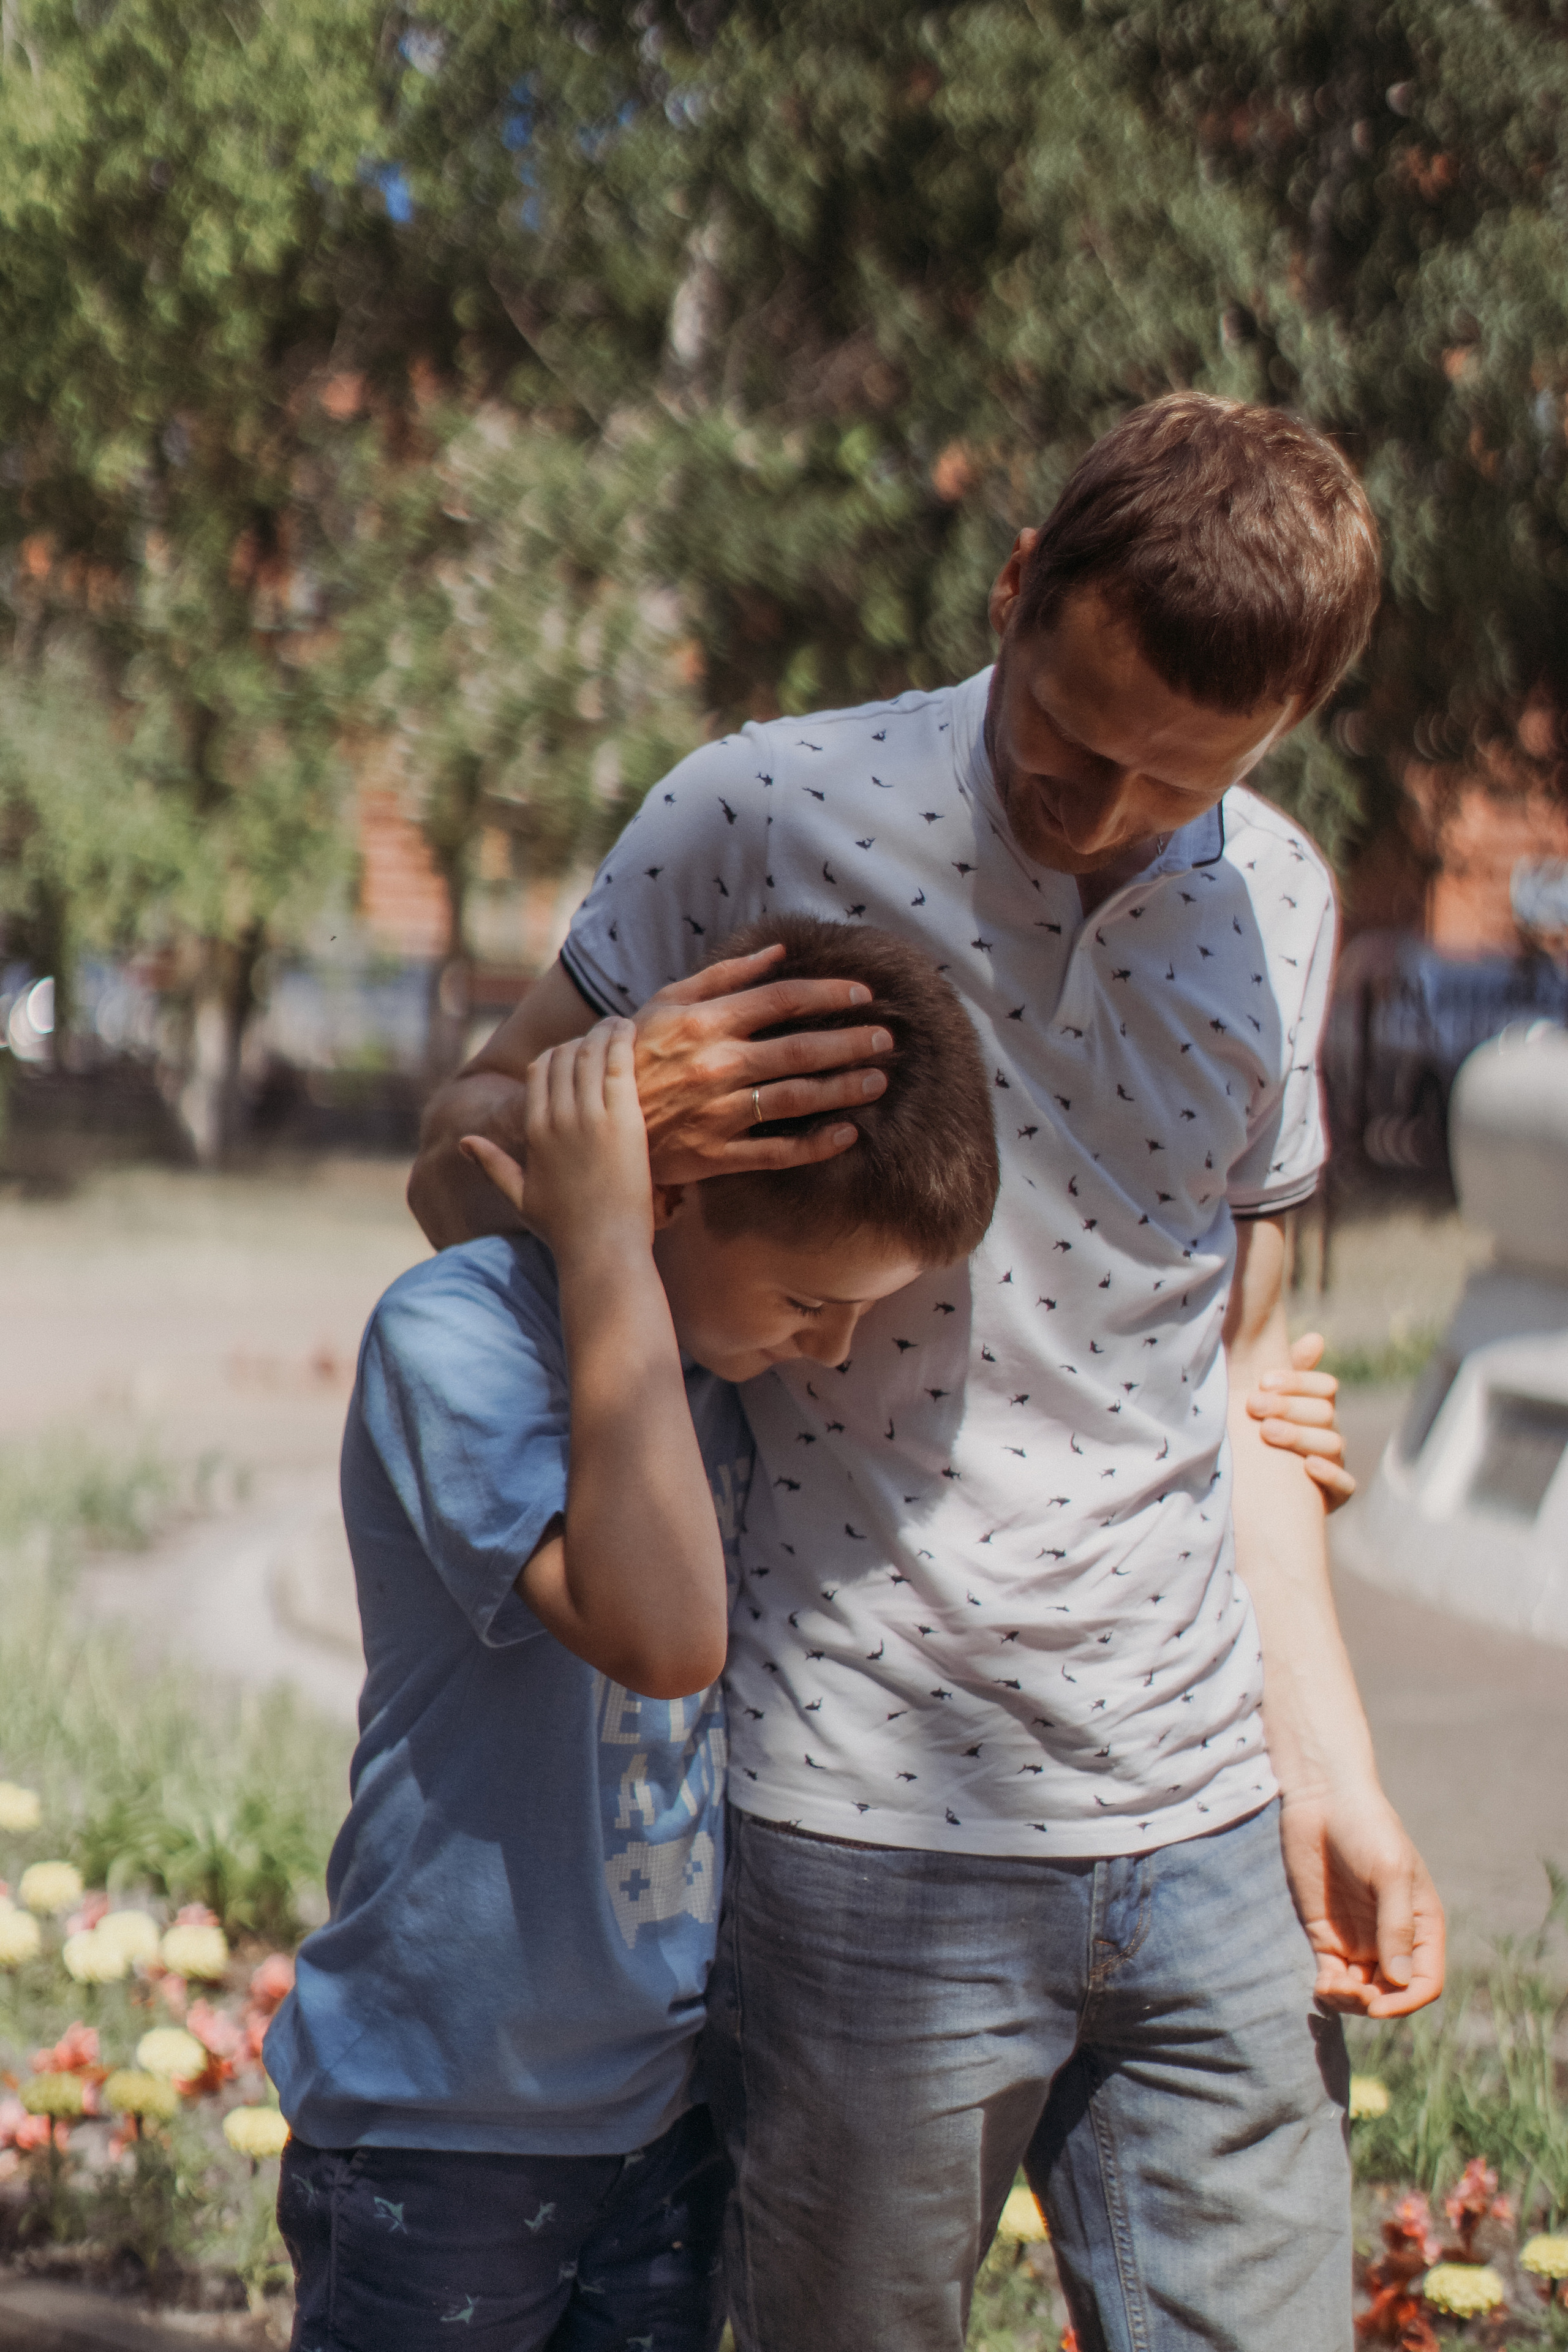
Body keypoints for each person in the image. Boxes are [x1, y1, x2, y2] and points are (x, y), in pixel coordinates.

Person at [408, 393, 1446, 2351]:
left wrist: (1331, 1763)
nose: (1103, 813)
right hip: (866, 1831)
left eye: (1177, 779)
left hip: (1201, 1822)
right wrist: (609, 1108)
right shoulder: (761, 812)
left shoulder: (1285, 906)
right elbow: (448, 1162)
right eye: (1071, 739)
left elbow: (1237, 1378)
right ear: (1015, 589)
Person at [265, 918, 1002, 2351]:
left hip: (656, 2116)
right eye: (810, 1305)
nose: (829, 1352)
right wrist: (599, 1229)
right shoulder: (455, 1338)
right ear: (663, 1200)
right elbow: (658, 1637)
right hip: (440, 2117)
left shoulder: (704, 1361)